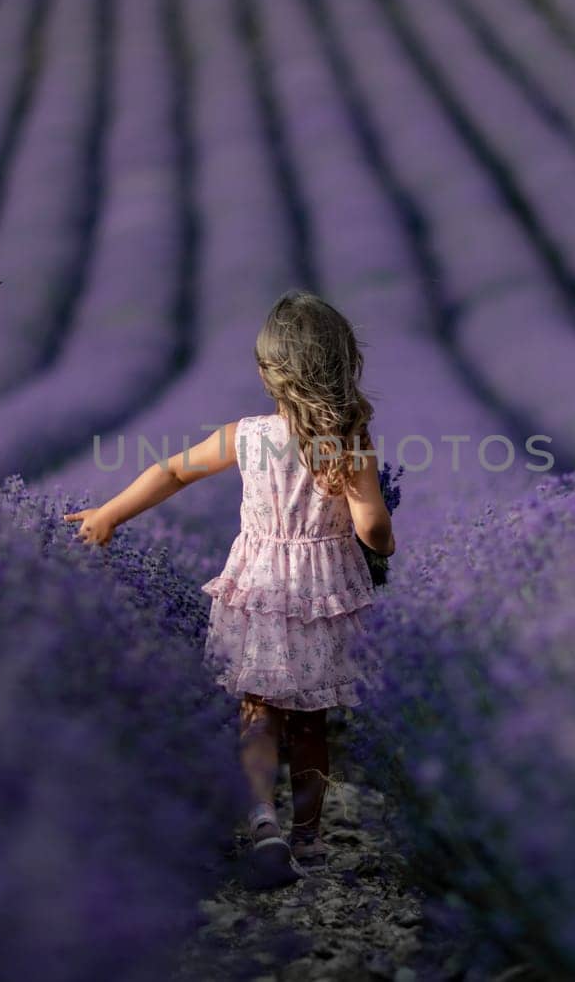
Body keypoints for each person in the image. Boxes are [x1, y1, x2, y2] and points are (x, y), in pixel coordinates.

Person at [64, 290, 393, 889]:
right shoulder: (350, 440)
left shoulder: (248, 435)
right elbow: (370, 524)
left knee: (257, 711)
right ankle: (309, 840)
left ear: (271, 372)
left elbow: (171, 470)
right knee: (311, 723)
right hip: (319, 594)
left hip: (260, 587)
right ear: (345, 364)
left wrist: (109, 515)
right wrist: (383, 545)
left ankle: (262, 819)